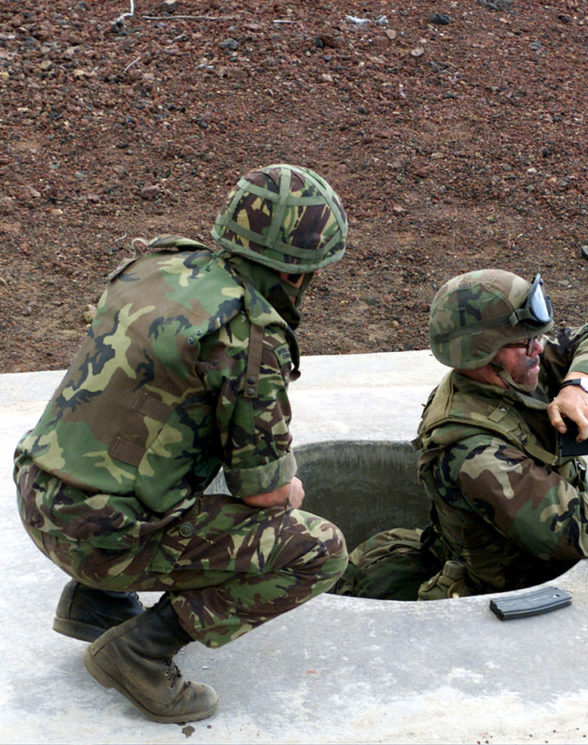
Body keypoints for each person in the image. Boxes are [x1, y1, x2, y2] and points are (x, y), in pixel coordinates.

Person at [13, 164, 351, 723]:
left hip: (36, 493)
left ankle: (94, 602)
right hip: (96, 538)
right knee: (316, 548)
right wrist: (290, 492)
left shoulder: (158, 263)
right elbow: (263, 492)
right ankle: (139, 651)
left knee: (165, 434)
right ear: (298, 274)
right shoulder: (250, 335)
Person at [338, 269, 588, 600]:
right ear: (479, 354)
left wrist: (579, 385)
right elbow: (574, 531)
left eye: (536, 335)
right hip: (495, 591)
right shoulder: (473, 450)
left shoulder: (516, 372)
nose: (538, 348)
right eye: (522, 341)